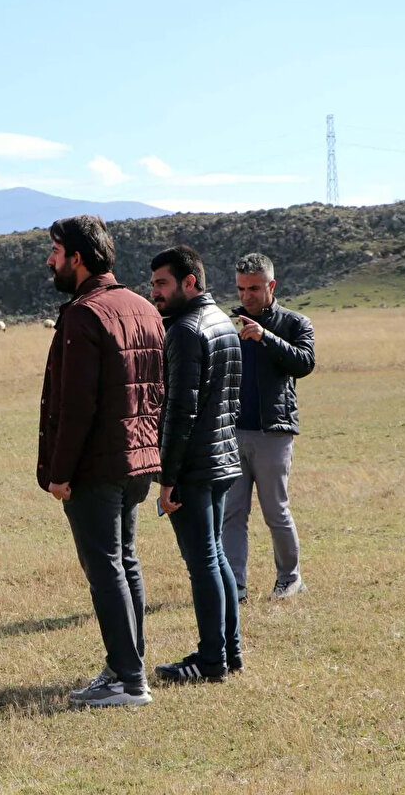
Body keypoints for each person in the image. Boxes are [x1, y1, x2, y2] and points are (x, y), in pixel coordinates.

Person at [37, 216, 165, 708]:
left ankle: (128, 681)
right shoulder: (143, 308)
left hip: (96, 464)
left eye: (55, 250)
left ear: (78, 257)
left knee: (105, 565)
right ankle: (126, 665)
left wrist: (60, 472)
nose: (50, 260)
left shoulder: (83, 315)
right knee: (125, 560)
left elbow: (76, 406)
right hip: (138, 458)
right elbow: (159, 392)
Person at [148, 245, 244, 683]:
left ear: (191, 282)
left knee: (203, 561)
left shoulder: (186, 331)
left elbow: (179, 412)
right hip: (222, 457)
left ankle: (210, 660)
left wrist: (168, 479)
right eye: (153, 285)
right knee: (216, 556)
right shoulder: (224, 322)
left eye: (163, 284)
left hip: (196, 465)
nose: (155, 293)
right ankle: (229, 651)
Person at [224, 253, 316, 602]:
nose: (246, 295)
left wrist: (265, 337)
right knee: (232, 513)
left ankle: (290, 579)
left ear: (271, 286)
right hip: (234, 432)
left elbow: (305, 362)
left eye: (254, 288)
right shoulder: (229, 325)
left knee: (275, 510)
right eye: (241, 288)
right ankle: (235, 586)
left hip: (274, 432)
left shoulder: (295, 323)